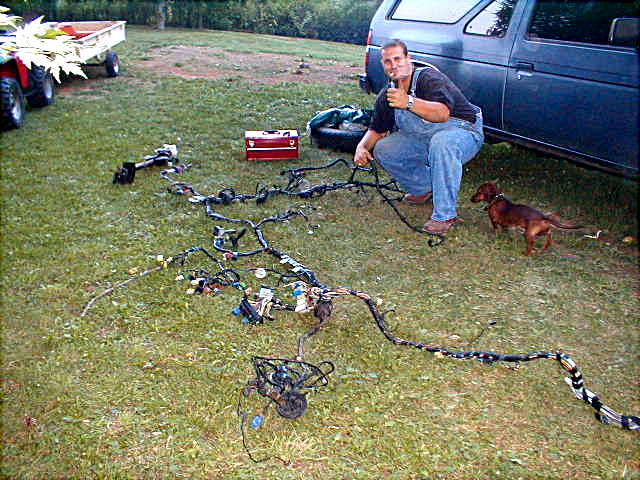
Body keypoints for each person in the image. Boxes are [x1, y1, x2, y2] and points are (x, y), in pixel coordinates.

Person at [354, 39, 484, 234]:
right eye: (388, 61)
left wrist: (408, 102)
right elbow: (377, 129)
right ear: (383, 65)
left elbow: (442, 114)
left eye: (398, 59)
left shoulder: (429, 79)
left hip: (464, 132)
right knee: (383, 148)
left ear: (409, 58)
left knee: (442, 144)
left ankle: (445, 214)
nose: (393, 65)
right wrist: (362, 147)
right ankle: (424, 188)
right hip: (425, 137)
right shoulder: (388, 93)